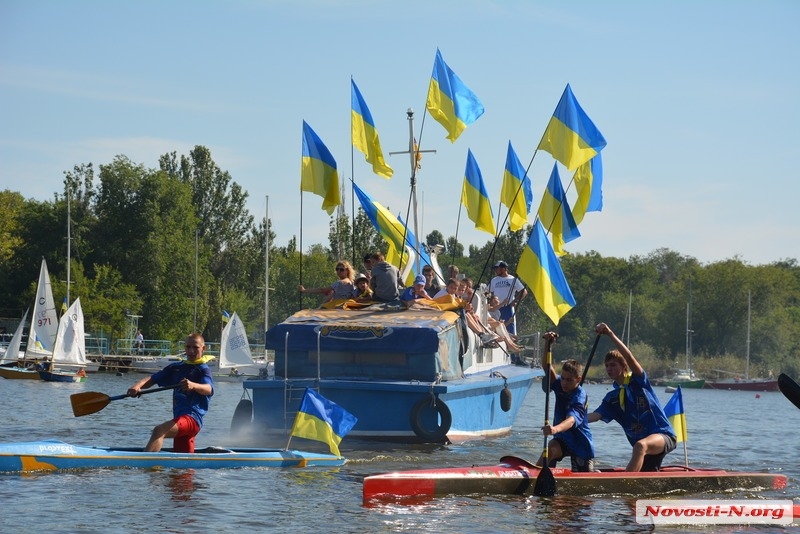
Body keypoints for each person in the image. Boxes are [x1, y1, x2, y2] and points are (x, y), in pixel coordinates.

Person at [588, 322, 677, 472]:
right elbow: (595, 416)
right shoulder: (612, 398)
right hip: (643, 448)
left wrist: (610, 334)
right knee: (642, 453)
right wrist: (571, 420)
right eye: (607, 366)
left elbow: (629, 357)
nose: (609, 369)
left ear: (623, 367)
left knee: (640, 446)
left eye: (613, 365)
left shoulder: (638, 381)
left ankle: (625, 483)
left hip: (663, 436)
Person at [127, 333, 214, 453]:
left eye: (195, 347)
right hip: (180, 419)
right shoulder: (176, 368)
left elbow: (208, 389)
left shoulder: (203, 369)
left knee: (159, 431)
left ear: (203, 349)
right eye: (188, 347)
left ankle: (147, 467)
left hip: (192, 419)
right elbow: (152, 379)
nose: (191, 351)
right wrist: (137, 387)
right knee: (183, 465)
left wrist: (193, 385)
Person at [537, 331, 595, 472]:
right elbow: (547, 366)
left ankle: (594, 473)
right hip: (562, 439)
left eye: (569, 380)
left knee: (583, 486)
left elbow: (571, 421)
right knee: (550, 448)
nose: (564, 382)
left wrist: (554, 429)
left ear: (578, 380)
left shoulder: (580, 396)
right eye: (562, 378)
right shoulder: (560, 384)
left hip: (580, 444)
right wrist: (547, 344)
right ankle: (535, 475)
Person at [488, 261, 527, 336]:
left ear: (503, 269)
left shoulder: (513, 279)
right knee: (497, 328)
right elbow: (487, 292)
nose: (495, 270)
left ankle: (511, 343)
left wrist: (515, 301)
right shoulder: (494, 280)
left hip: (508, 307)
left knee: (510, 329)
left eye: (497, 268)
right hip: (496, 308)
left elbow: (524, 292)